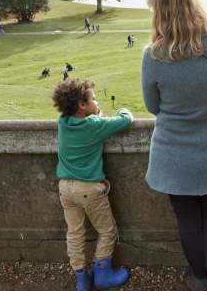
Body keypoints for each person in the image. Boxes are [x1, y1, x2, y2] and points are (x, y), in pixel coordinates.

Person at [141, 0, 207, 291]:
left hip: (174, 152)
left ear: (160, 11)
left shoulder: (153, 55)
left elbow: (152, 106)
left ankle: (198, 279)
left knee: (187, 219)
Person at [52, 78, 134, 291]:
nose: (97, 103)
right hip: (88, 189)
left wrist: (94, 114)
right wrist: (123, 109)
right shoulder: (94, 125)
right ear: (82, 104)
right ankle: (103, 274)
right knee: (107, 231)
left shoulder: (63, 122)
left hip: (65, 188)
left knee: (75, 232)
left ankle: (81, 279)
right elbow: (126, 119)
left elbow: (84, 122)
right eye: (94, 99)